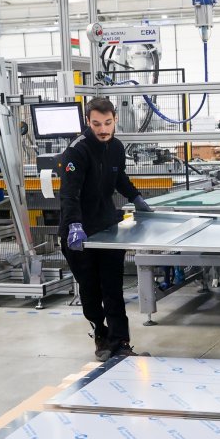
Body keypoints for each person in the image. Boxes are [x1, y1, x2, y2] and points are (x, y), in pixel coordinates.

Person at [60, 97, 153, 360]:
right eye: (97, 124)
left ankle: (120, 342)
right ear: (87, 122)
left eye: (108, 123)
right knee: (90, 290)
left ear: (115, 120)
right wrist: (74, 225)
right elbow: (69, 194)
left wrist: (136, 197)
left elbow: (119, 176)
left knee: (113, 287)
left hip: (108, 229)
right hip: (79, 234)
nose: (103, 129)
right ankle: (101, 335)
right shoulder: (76, 152)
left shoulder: (116, 147)